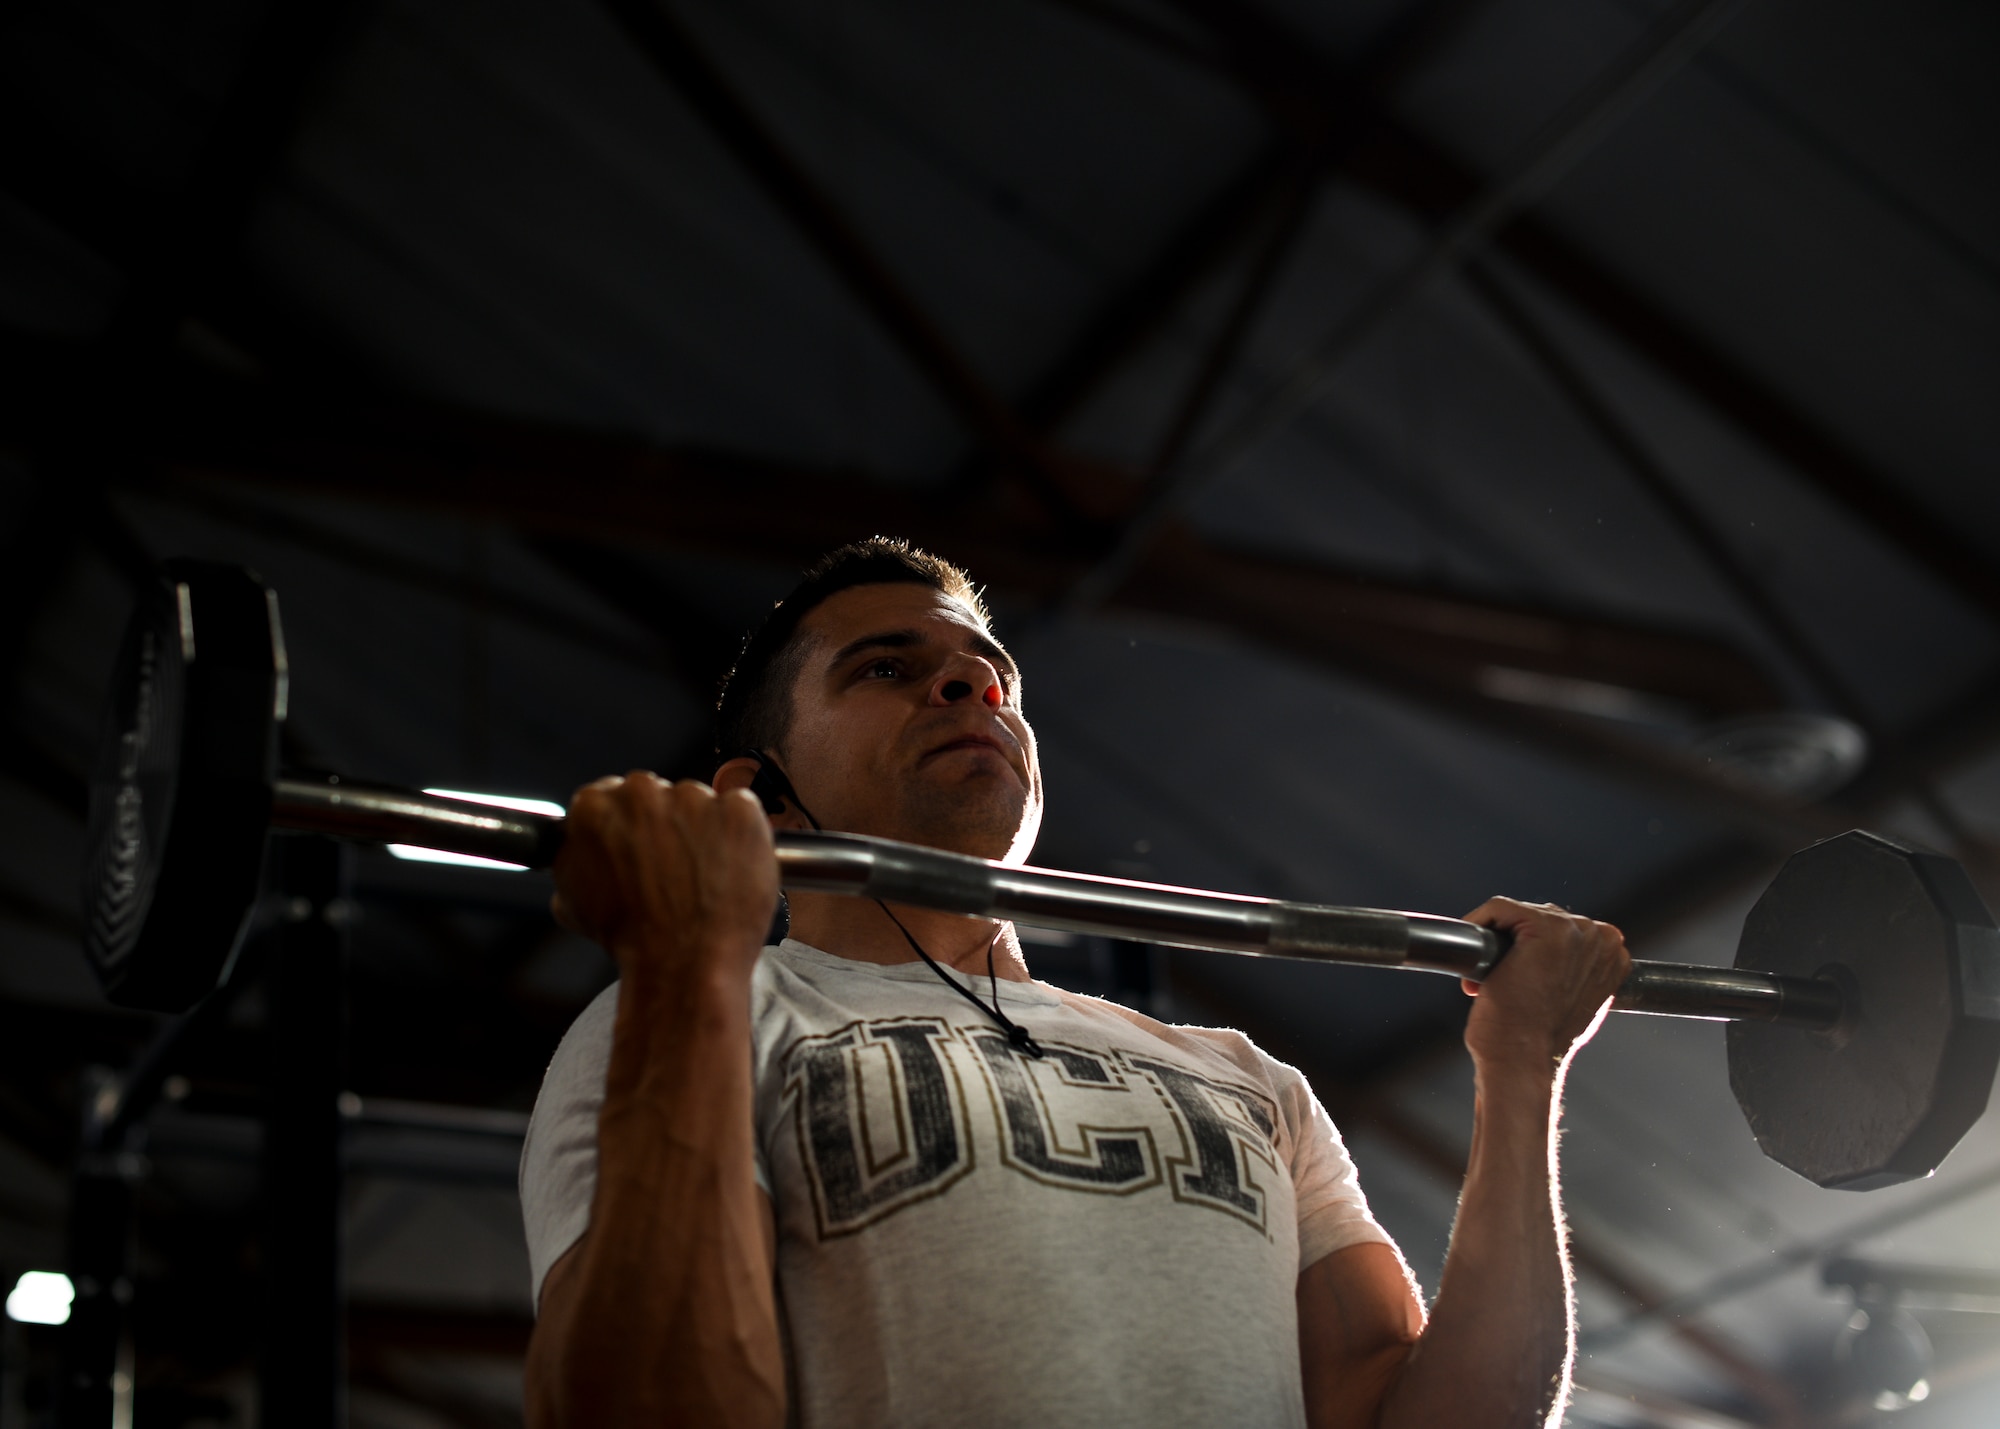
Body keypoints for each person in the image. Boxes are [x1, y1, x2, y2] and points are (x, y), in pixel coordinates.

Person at [519, 537, 1631, 1428]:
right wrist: (682, 963)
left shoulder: (1246, 1078)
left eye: (988, 672)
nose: (969, 683)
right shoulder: (689, 1016)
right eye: (886, 669)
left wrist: (1522, 1067)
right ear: (758, 803)